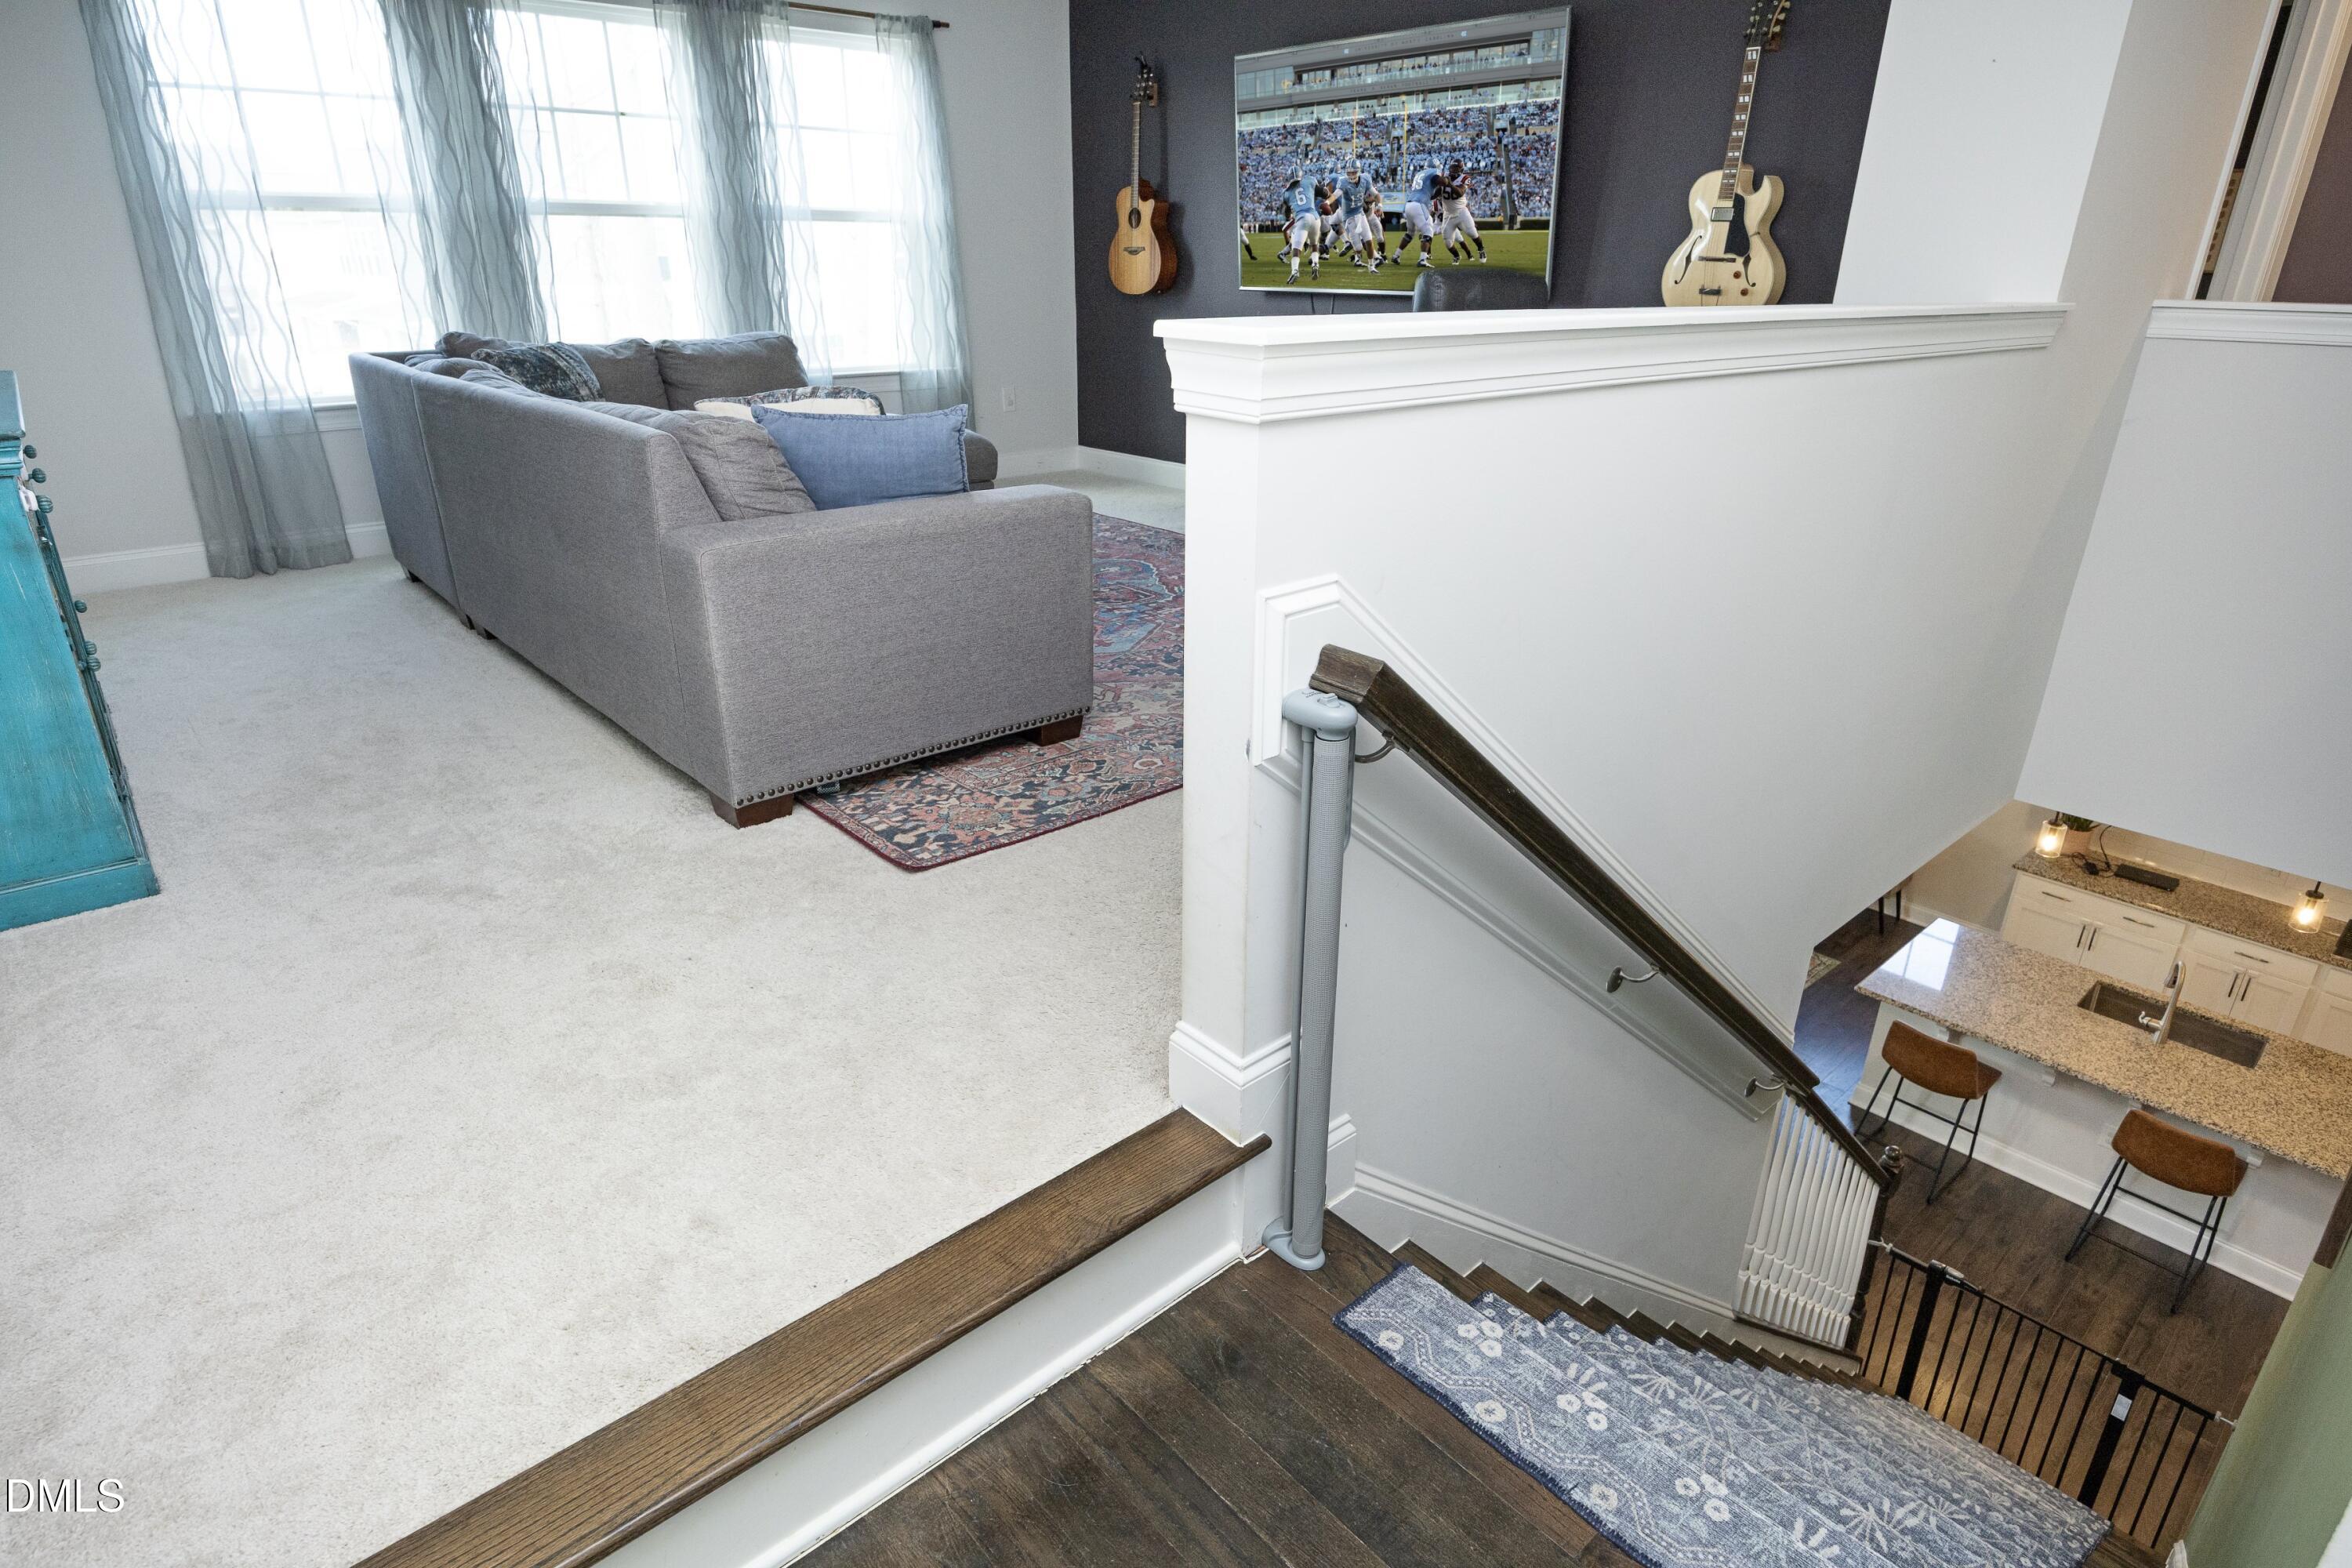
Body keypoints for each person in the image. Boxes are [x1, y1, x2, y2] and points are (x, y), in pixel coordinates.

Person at [1436, 159, 1489, 264]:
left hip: (1461, 211)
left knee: (1472, 233)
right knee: (1447, 242)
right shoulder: (1444, 175)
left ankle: (1481, 250)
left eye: (1456, 168)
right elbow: (1436, 192)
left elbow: (1460, 193)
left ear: (1461, 169)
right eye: (1452, 168)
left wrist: (1450, 184)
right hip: (1448, 214)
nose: (1453, 170)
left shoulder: (1465, 178)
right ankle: (1457, 256)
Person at [1395, 162, 1443, 268]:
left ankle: (1396, 255)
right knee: (1429, 231)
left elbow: (1430, 194)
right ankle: (1422, 259)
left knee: (1410, 233)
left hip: (1409, 204)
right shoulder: (1434, 171)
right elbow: (1440, 180)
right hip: (1419, 204)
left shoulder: (1420, 174)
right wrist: (1447, 181)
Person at [1333, 164, 1381, 270]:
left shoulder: (1365, 179)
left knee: (1369, 240)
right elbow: (1335, 195)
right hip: (1348, 216)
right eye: (1349, 172)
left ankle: (1372, 265)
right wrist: (1327, 202)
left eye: (1353, 172)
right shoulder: (1344, 181)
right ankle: (1356, 256)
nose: (1351, 174)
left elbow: (1376, 195)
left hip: (1360, 214)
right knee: (1358, 247)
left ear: (1358, 171)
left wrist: (1380, 206)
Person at [1281, 176, 1323, 283]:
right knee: (1314, 245)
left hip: (1302, 218)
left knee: (1296, 249)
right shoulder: (1310, 180)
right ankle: (1315, 264)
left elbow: (1287, 212)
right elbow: (1323, 193)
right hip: (1315, 217)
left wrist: (1289, 213)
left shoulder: (1287, 192)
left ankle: (1295, 271)